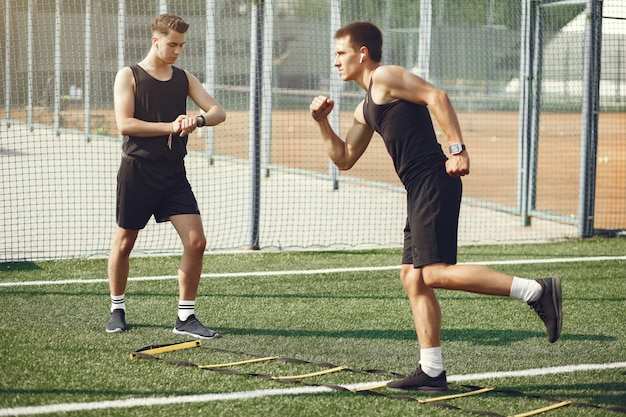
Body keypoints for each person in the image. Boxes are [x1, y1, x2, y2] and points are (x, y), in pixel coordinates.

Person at [309, 21, 562, 392]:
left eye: (341, 53)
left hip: (433, 179)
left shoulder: (385, 77)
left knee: (434, 273)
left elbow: (436, 96)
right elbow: (344, 158)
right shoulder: (365, 108)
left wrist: (457, 148)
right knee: (413, 276)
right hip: (417, 189)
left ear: (362, 53)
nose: (336, 62)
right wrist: (321, 122)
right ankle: (431, 371)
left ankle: (537, 291)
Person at [106, 13, 226, 339]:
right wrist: (171, 126)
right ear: (154, 39)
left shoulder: (184, 78)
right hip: (137, 172)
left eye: (181, 45)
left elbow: (218, 112)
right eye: (172, 44)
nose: (177, 51)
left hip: (174, 173)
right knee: (125, 243)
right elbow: (125, 124)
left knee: (197, 241)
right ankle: (117, 309)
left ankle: (185, 318)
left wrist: (197, 121)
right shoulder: (128, 75)